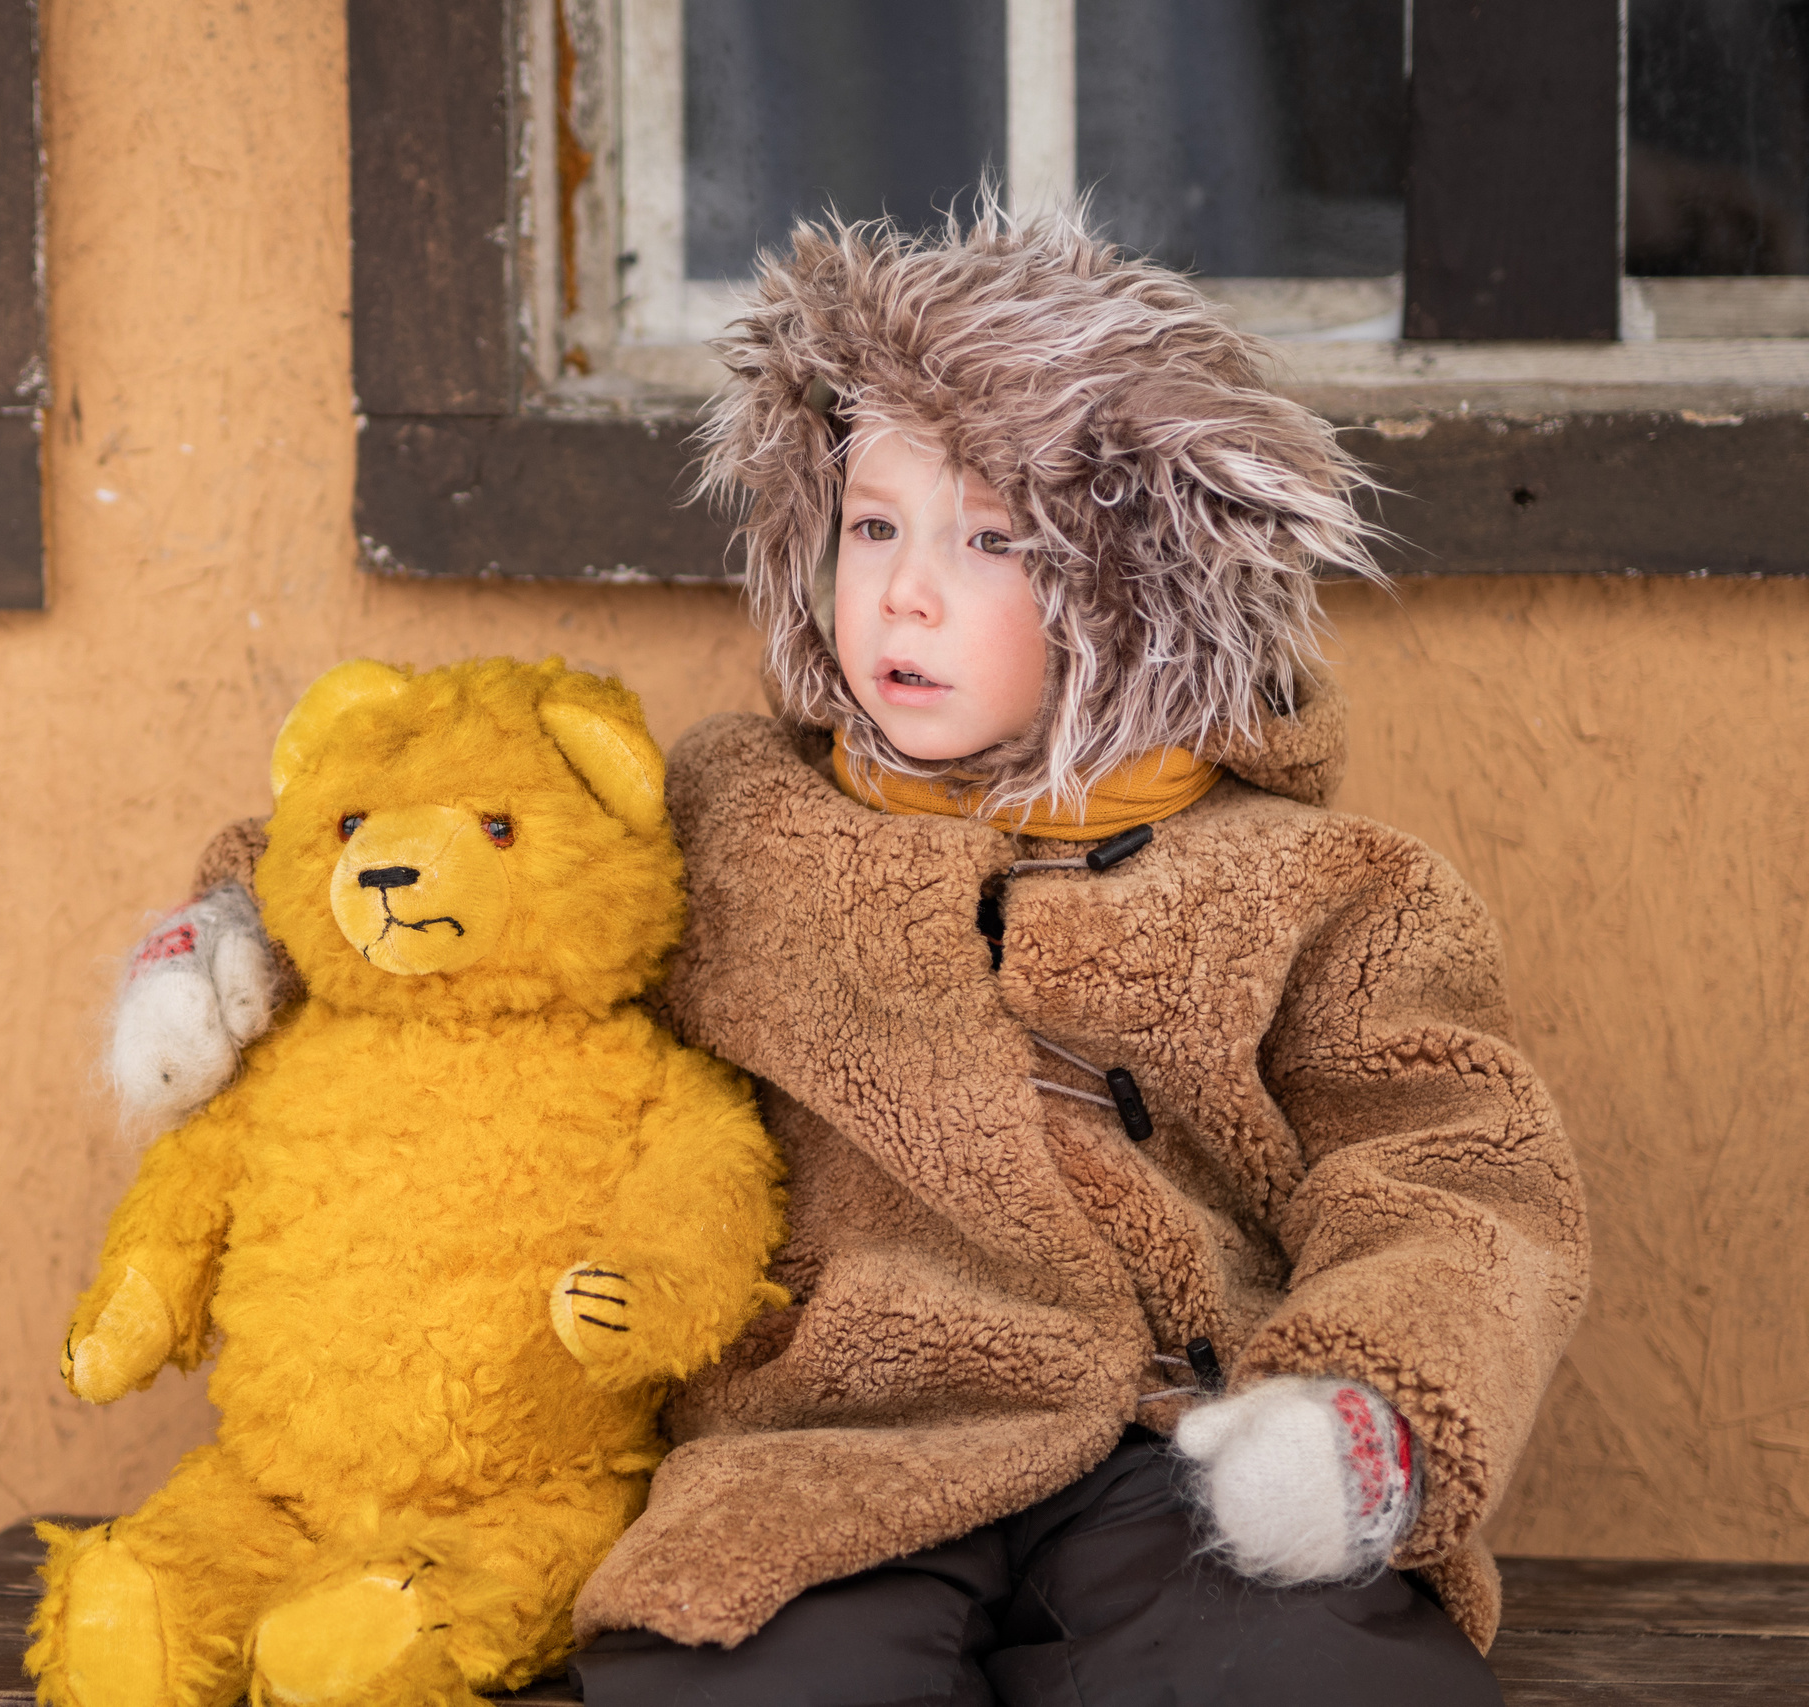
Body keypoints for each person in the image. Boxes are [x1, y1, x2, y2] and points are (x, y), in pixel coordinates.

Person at [111, 206, 1588, 1706]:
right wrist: (235, 935)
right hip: (823, 1447)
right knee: (745, 1674)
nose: (905, 592)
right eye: (873, 528)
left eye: (991, 540)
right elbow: (468, 850)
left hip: (1178, 1448)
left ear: (1145, 584)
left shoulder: (1320, 882)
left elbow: (1457, 1171)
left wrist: (1371, 1398)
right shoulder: (738, 814)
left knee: (1303, 1677)